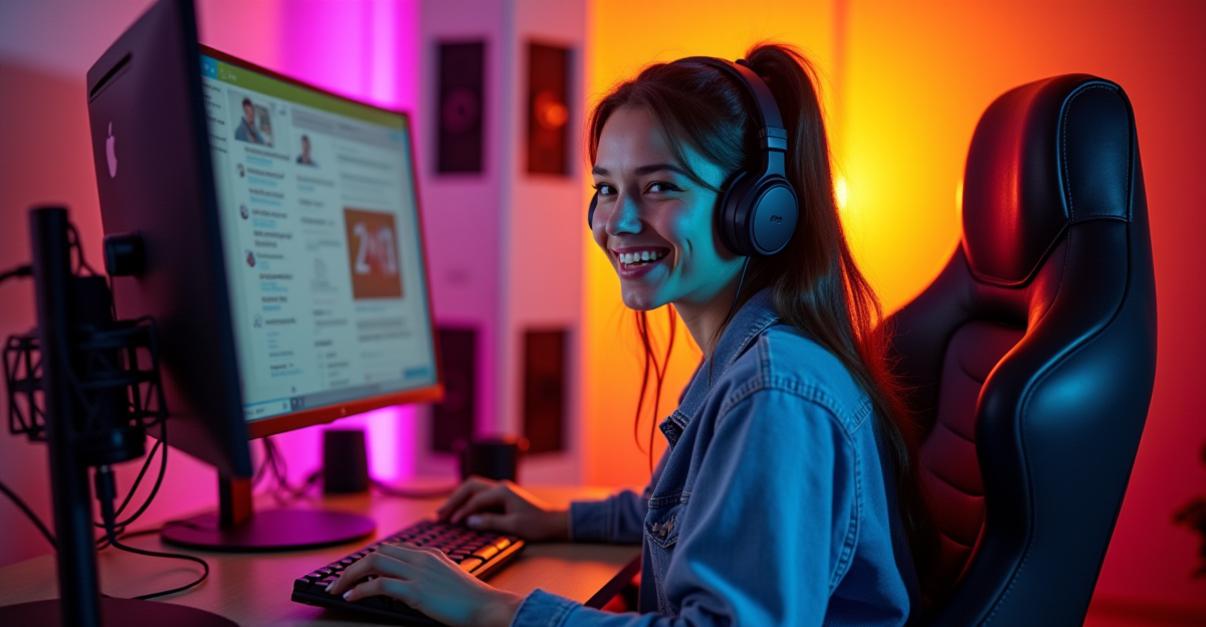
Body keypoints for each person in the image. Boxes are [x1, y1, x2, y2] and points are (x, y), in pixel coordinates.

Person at [326, 43, 919, 626]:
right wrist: (556, 519)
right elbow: (701, 511)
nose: (618, 222)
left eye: (660, 186)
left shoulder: (774, 395)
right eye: (606, 189)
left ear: (760, 209)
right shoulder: (750, 362)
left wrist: (492, 607)